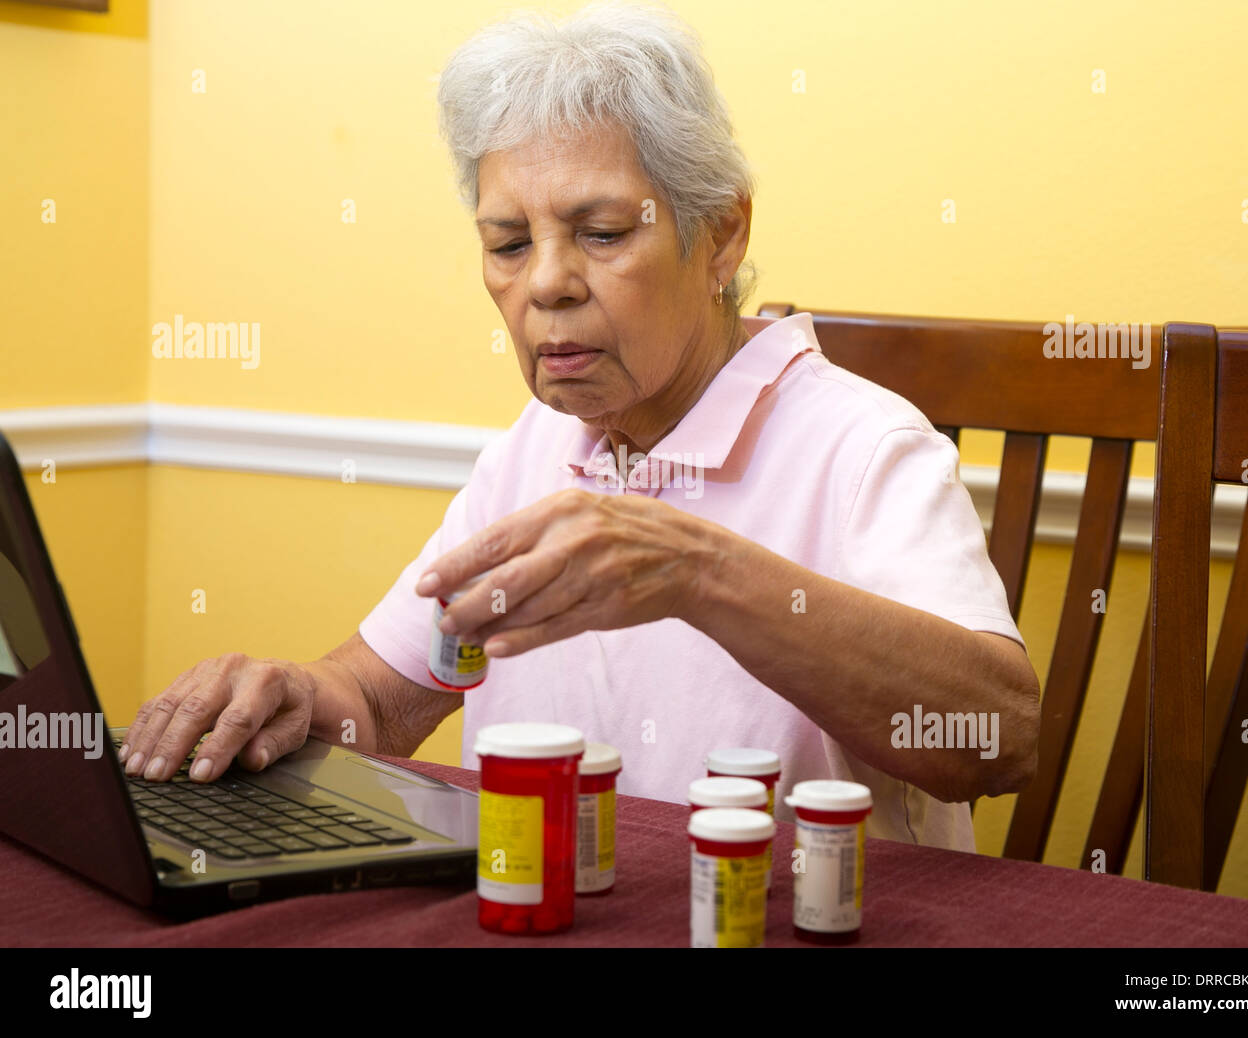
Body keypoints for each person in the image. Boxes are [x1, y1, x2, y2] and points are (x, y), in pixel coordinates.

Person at [120, 2, 1039, 849]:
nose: (546, 284)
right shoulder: (533, 444)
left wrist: (695, 567)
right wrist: (288, 697)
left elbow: (997, 741)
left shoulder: (864, 446)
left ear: (720, 235)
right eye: (509, 244)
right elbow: (377, 699)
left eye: (602, 233)